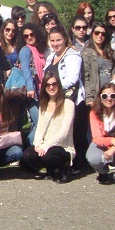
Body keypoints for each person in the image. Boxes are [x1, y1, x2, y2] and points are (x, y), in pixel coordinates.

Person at [21, 70, 75, 183]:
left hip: (62, 146)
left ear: (59, 85)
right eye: (48, 85)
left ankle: (64, 169)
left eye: (54, 84)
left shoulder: (68, 104)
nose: (51, 87)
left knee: (48, 155)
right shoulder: (43, 105)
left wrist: (46, 145)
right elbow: (40, 127)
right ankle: (50, 170)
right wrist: (37, 143)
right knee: (27, 155)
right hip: (45, 145)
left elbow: (64, 132)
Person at [45, 25, 86, 171]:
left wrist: (53, 87)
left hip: (71, 100)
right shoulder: (51, 57)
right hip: (55, 100)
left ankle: (77, 165)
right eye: (52, 40)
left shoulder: (72, 55)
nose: (55, 43)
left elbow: (72, 79)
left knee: (75, 134)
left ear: (65, 40)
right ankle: (61, 163)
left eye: (58, 40)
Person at [86, 82, 115, 189]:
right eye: (104, 96)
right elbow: (97, 138)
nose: (109, 99)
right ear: (100, 98)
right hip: (103, 142)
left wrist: (113, 148)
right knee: (92, 158)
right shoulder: (94, 112)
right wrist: (112, 141)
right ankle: (103, 172)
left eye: (112, 95)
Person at [18, 23, 47, 145]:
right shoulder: (25, 50)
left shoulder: (39, 51)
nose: (29, 37)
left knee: (37, 125)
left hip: (42, 91)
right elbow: (25, 69)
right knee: (40, 123)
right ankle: (29, 147)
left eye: (32, 34)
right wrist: (30, 88)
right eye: (26, 36)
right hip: (33, 93)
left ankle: (32, 149)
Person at [82, 23, 115, 107]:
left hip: (111, 93)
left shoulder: (110, 52)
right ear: (92, 34)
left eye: (103, 34)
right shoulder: (87, 53)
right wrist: (89, 97)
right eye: (97, 33)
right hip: (96, 93)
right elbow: (86, 77)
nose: (100, 36)